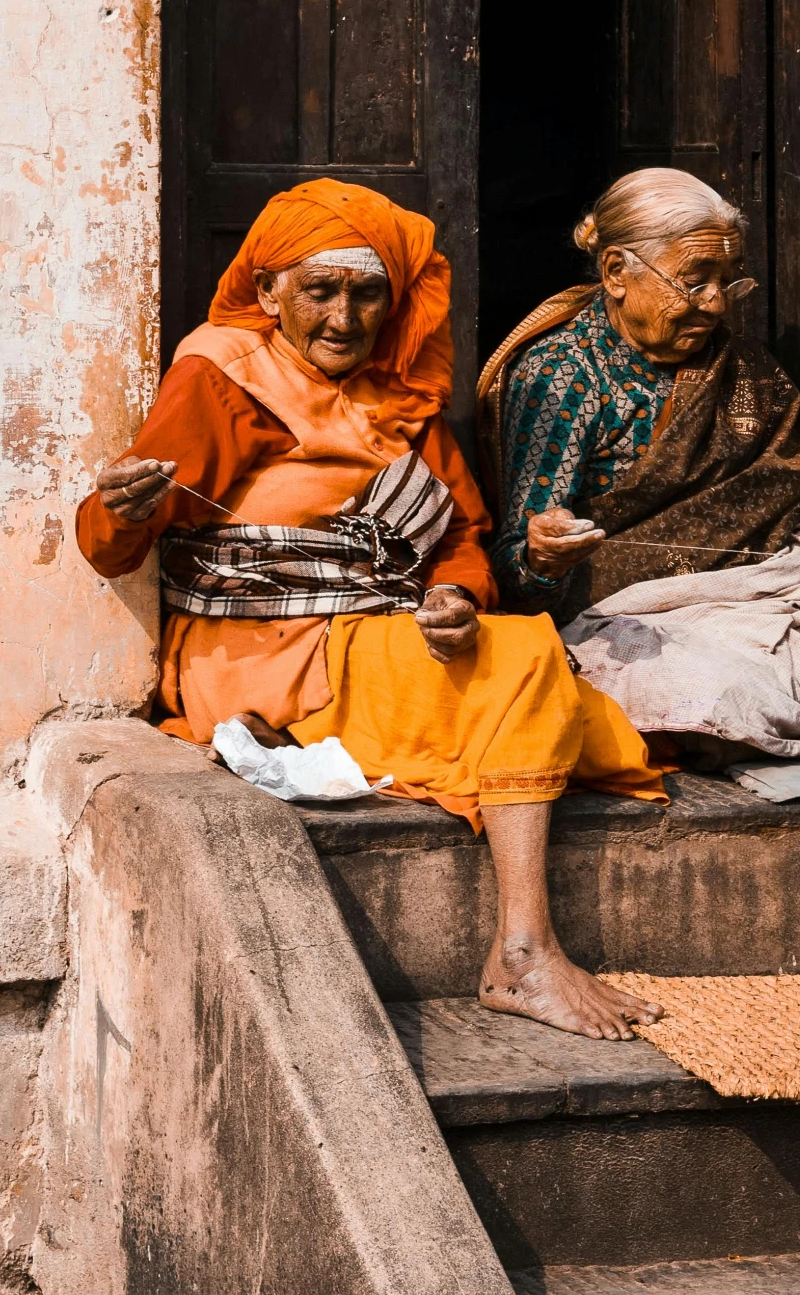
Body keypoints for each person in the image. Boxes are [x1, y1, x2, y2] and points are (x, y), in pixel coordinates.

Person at [75, 179, 665, 1042]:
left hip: (370, 640)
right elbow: (108, 543)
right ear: (269, 290)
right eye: (319, 291)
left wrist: (455, 596)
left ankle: (522, 938)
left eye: (367, 293)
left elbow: (461, 534)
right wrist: (122, 508)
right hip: (263, 661)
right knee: (528, 665)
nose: (344, 318)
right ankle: (523, 954)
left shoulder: (402, 397)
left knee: (558, 696)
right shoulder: (223, 378)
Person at [475, 168, 800, 763]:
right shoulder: (561, 376)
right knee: (721, 692)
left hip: (773, 591)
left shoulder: (740, 363)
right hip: (634, 622)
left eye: (729, 281)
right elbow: (518, 569)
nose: (717, 303)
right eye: (695, 282)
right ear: (617, 272)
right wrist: (544, 557)